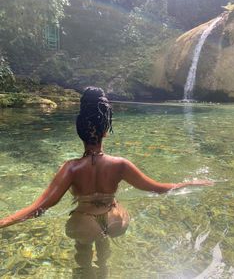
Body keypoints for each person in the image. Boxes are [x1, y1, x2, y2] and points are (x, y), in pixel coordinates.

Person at [0, 86, 213, 272]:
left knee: (83, 253)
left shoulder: (71, 169)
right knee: (104, 242)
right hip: (116, 220)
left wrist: (5, 221)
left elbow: (39, 208)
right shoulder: (121, 165)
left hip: (84, 223)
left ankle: (86, 270)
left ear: (80, 130)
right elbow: (159, 188)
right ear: (105, 131)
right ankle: (103, 268)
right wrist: (191, 183)